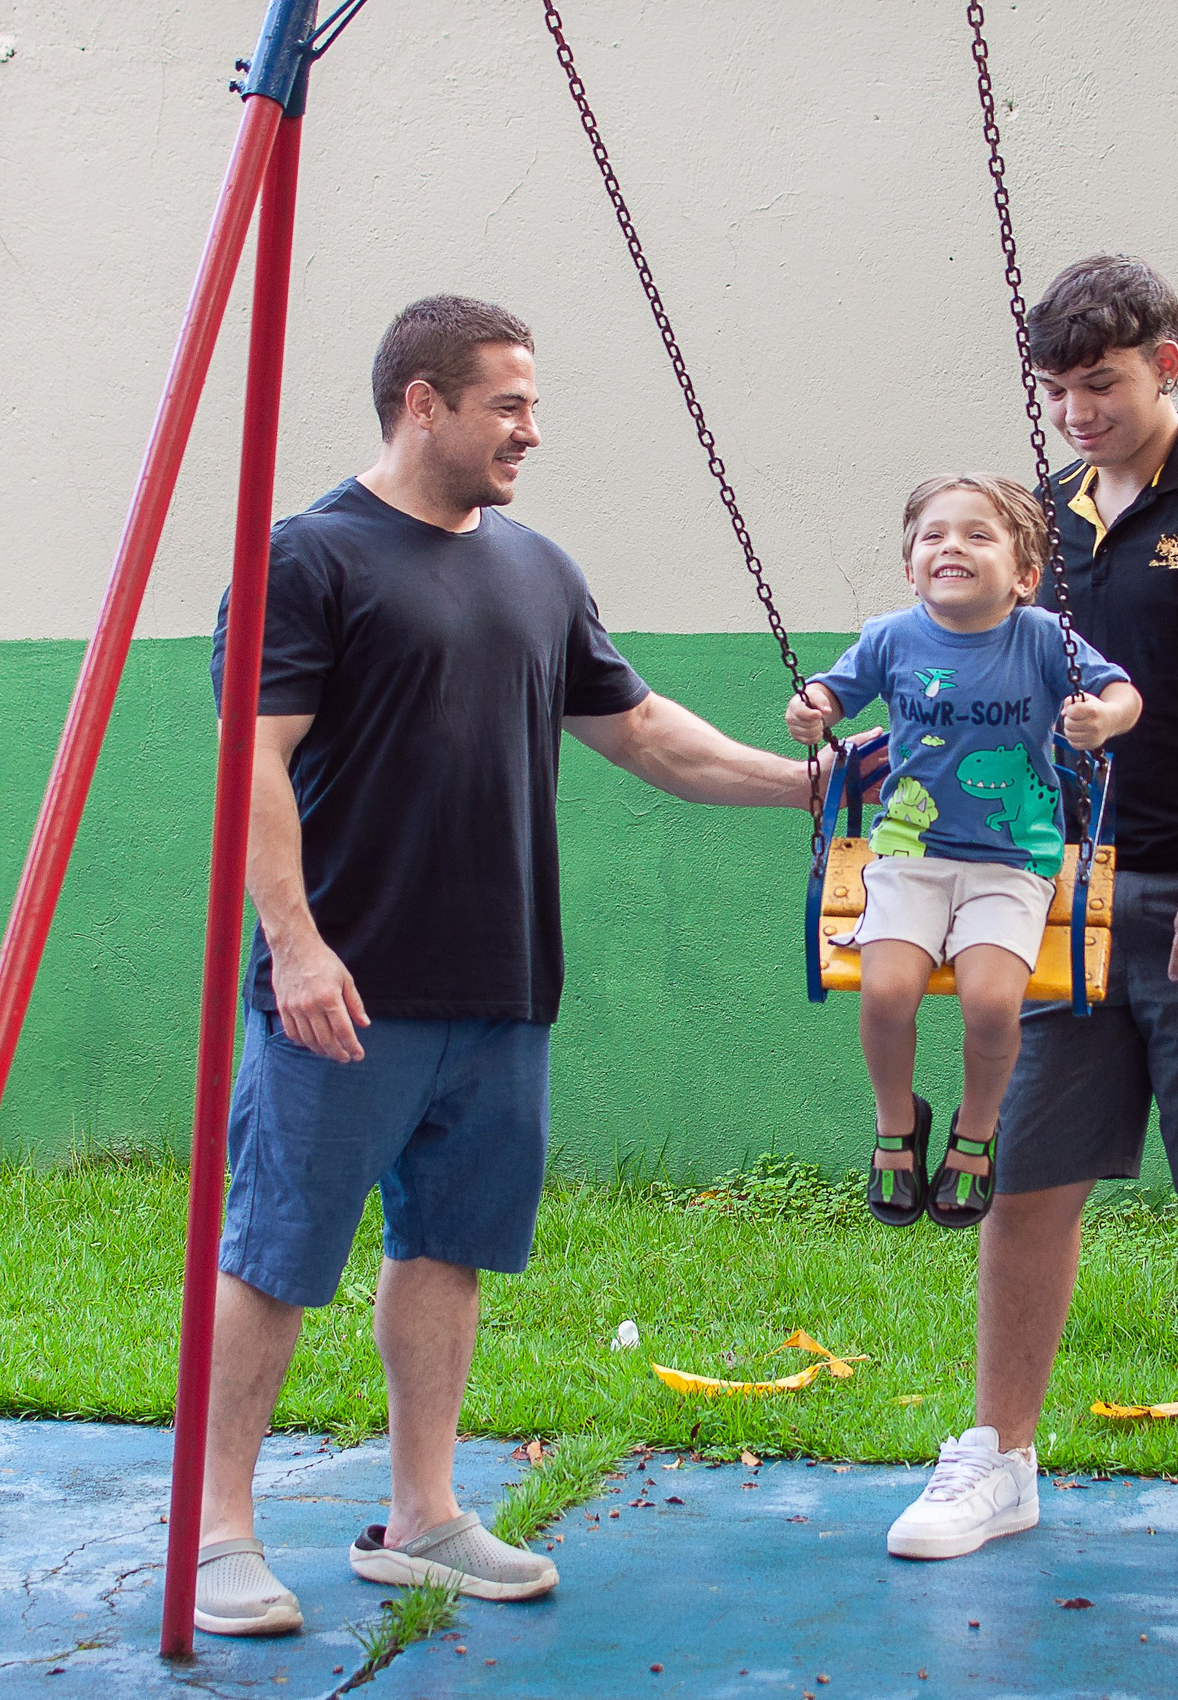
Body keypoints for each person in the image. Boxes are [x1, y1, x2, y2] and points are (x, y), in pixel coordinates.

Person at [193, 295, 830, 1636]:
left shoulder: (536, 570)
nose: (531, 431)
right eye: (508, 405)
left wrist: (816, 787)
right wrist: (293, 945)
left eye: (533, 405)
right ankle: (218, 1534)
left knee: (450, 1250)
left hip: (500, 990)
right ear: (421, 402)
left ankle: (422, 1517)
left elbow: (650, 735)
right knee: (273, 1257)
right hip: (344, 989)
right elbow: (252, 759)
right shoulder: (306, 559)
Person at [883, 256, 1178, 1587]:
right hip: (1063, 899)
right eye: (1059, 390)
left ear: (1168, 363)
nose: (1080, 411)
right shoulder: (1047, 518)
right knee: (1025, 1175)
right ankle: (1000, 1458)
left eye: (1104, 383)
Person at [784, 474, 1139, 1229]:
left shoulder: (1042, 636)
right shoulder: (893, 637)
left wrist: (1101, 719)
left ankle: (977, 1131)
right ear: (910, 562)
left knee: (989, 1001)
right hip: (911, 850)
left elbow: (1123, 692)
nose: (953, 546)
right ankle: (895, 1124)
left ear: (1026, 574)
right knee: (884, 993)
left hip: (1013, 859)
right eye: (934, 535)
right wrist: (811, 706)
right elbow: (834, 690)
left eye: (979, 535)